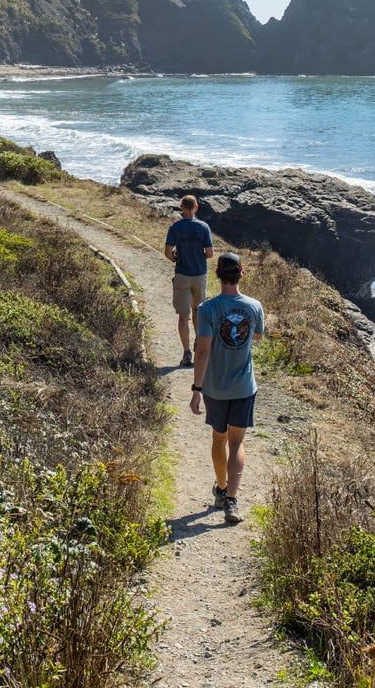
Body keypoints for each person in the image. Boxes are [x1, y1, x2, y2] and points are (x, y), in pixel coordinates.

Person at [189, 252, 265, 525]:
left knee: (219, 438)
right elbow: (257, 336)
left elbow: (202, 350)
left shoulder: (207, 309)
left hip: (215, 387)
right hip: (243, 386)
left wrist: (196, 388)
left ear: (218, 275)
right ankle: (232, 499)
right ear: (241, 272)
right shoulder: (255, 306)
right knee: (237, 442)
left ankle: (221, 489)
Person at [164, 194, 213, 366]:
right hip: (199, 275)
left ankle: (186, 353)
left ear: (182, 208)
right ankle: (198, 343)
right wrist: (199, 255)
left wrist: (175, 259)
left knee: (183, 316)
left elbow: (168, 252)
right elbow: (210, 253)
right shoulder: (203, 227)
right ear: (196, 207)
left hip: (182, 275)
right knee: (198, 311)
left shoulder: (175, 227)